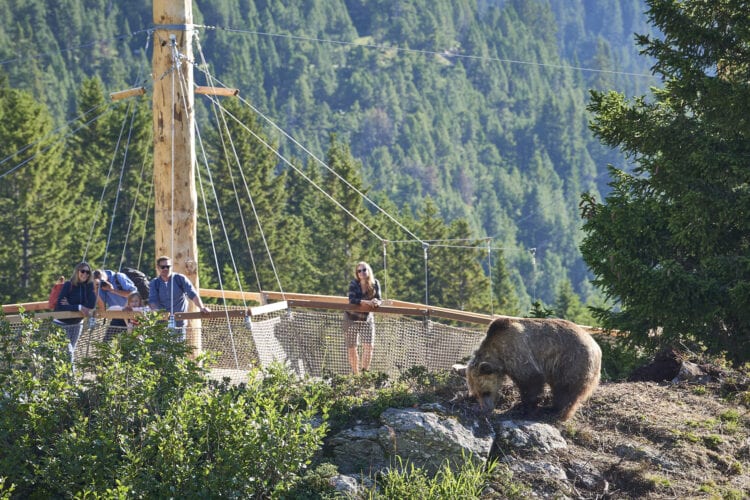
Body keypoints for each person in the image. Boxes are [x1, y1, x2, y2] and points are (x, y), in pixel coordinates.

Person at [148, 256, 210, 338]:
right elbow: (153, 301)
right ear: (158, 268)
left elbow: (192, 294)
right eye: (163, 267)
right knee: (161, 348)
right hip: (162, 323)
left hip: (179, 321)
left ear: (171, 267)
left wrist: (202, 307)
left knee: (179, 346)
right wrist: (156, 311)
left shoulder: (180, 279)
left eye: (168, 266)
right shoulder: (154, 283)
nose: (165, 269)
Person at [54, 262, 97, 364]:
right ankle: (71, 379)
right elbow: (60, 305)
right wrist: (79, 307)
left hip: (77, 325)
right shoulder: (69, 285)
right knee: (68, 352)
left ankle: (64, 377)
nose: (85, 274)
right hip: (61, 324)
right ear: (77, 272)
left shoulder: (89, 286)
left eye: (88, 272)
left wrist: (70, 304)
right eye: (82, 271)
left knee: (70, 351)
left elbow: (91, 305)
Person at [344, 261, 381, 374]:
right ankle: (356, 374)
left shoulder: (375, 284)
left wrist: (376, 302)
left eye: (364, 270)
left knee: (369, 346)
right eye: (359, 271)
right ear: (357, 273)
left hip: (366, 318)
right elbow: (352, 300)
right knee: (352, 348)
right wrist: (367, 302)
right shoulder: (354, 284)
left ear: (369, 270)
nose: (362, 273)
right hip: (351, 318)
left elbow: (379, 299)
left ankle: (364, 375)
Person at [94, 268, 137, 340]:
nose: (103, 282)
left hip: (132, 315)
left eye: (102, 279)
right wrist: (95, 289)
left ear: (104, 273)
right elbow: (102, 309)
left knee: (134, 342)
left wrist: (112, 290)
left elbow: (133, 294)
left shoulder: (119, 277)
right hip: (118, 316)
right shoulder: (99, 286)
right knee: (107, 343)